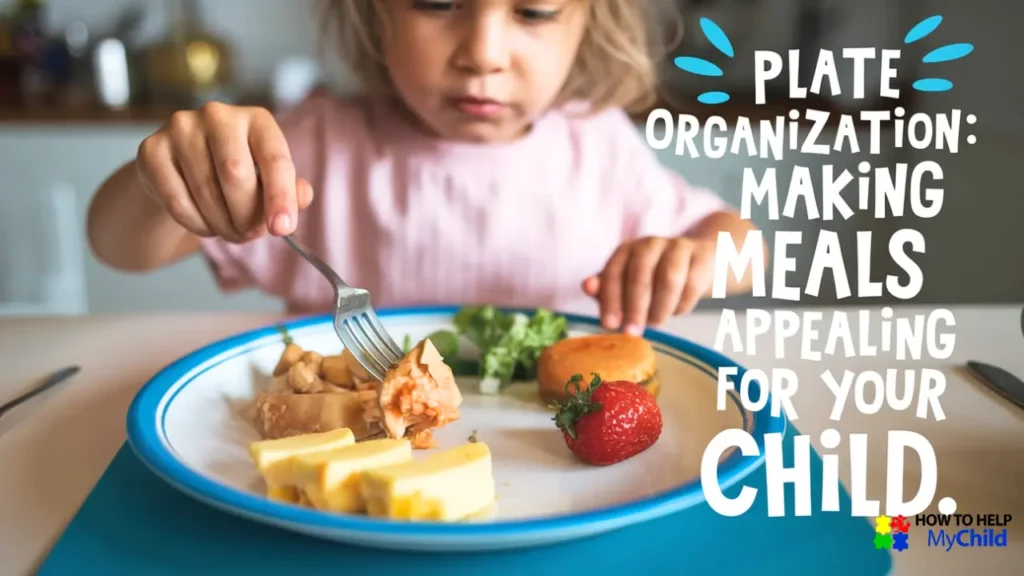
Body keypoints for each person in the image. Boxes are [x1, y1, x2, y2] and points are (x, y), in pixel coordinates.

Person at [87, 0, 762, 335]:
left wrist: (699, 256)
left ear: (589, 19)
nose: (483, 52)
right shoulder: (316, 144)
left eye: (534, 11)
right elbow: (119, 247)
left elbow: (744, 248)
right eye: (438, 1)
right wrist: (162, 179)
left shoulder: (598, 146)